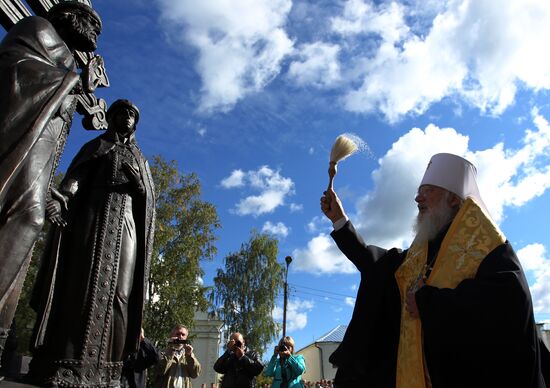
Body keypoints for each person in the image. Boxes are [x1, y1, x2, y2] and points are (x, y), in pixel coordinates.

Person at [321, 152, 550, 388]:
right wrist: (340, 220)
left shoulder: (488, 246)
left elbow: (508, 304)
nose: (417, 198)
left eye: (428, 190)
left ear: (452, 199)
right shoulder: (422, 251)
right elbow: (378, 266)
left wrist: (430, 303)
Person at [27, 99, 156, 387]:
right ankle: (67, 360)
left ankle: (110, 365)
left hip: (126, 226)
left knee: (121, 292)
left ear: (136, 123)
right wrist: (64, 196)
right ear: (111, 118)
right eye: (121, 113)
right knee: (80, 285)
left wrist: (138, 185)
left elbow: (148, 200)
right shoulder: (96, 147)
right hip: (92, 216)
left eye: (132, 115)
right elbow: (76, 177)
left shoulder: (139, 158)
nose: (126, 118)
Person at [0, 1, 102, 362]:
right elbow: (16, 71)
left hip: (38, 148)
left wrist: (49, 187)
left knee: (30, 219)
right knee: (28, 218)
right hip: (21, 135)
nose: (95, 31)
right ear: (67, 17)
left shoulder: (66, 56)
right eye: (90, 22)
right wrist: (72, 81)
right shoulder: (37, 29)